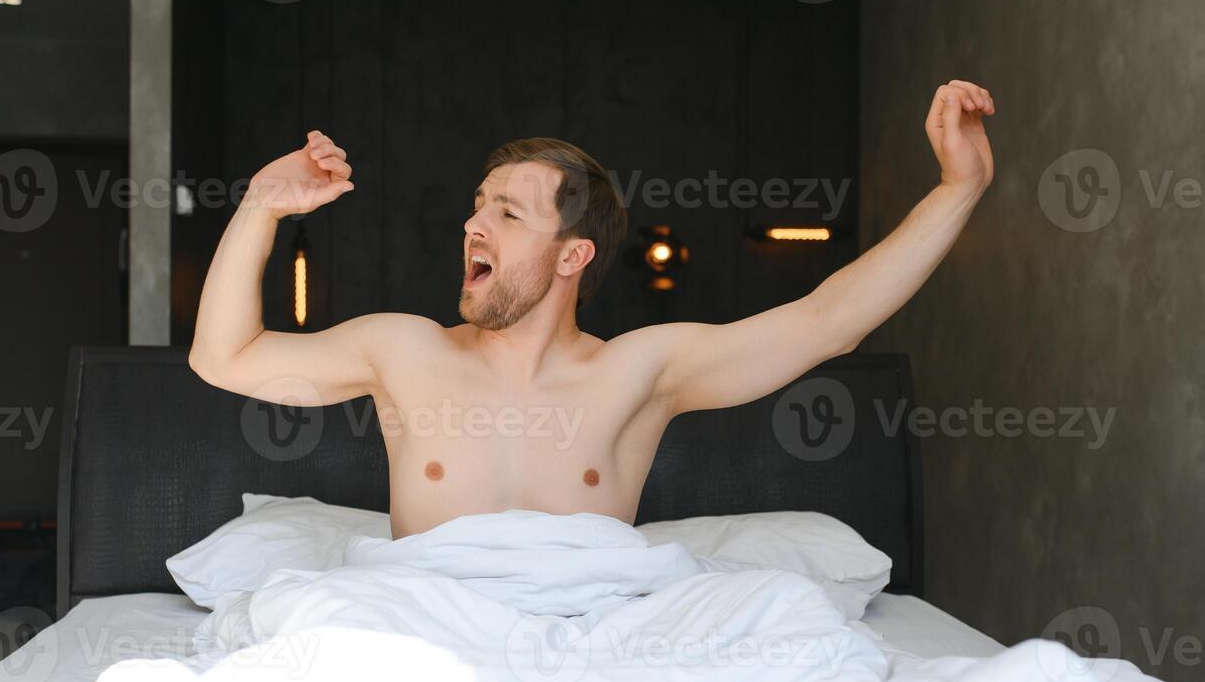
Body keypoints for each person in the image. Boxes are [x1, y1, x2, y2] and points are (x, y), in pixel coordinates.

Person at [189, 81, 995, 539]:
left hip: (588, 651)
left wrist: (959, 189)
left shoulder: (638, 372)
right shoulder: (401, 352)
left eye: (507, 213)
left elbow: (829, 320)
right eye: (477, 206)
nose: (473, 223)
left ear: (572, 256)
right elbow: (221, 359)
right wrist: (261, 205)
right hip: (426, 635)